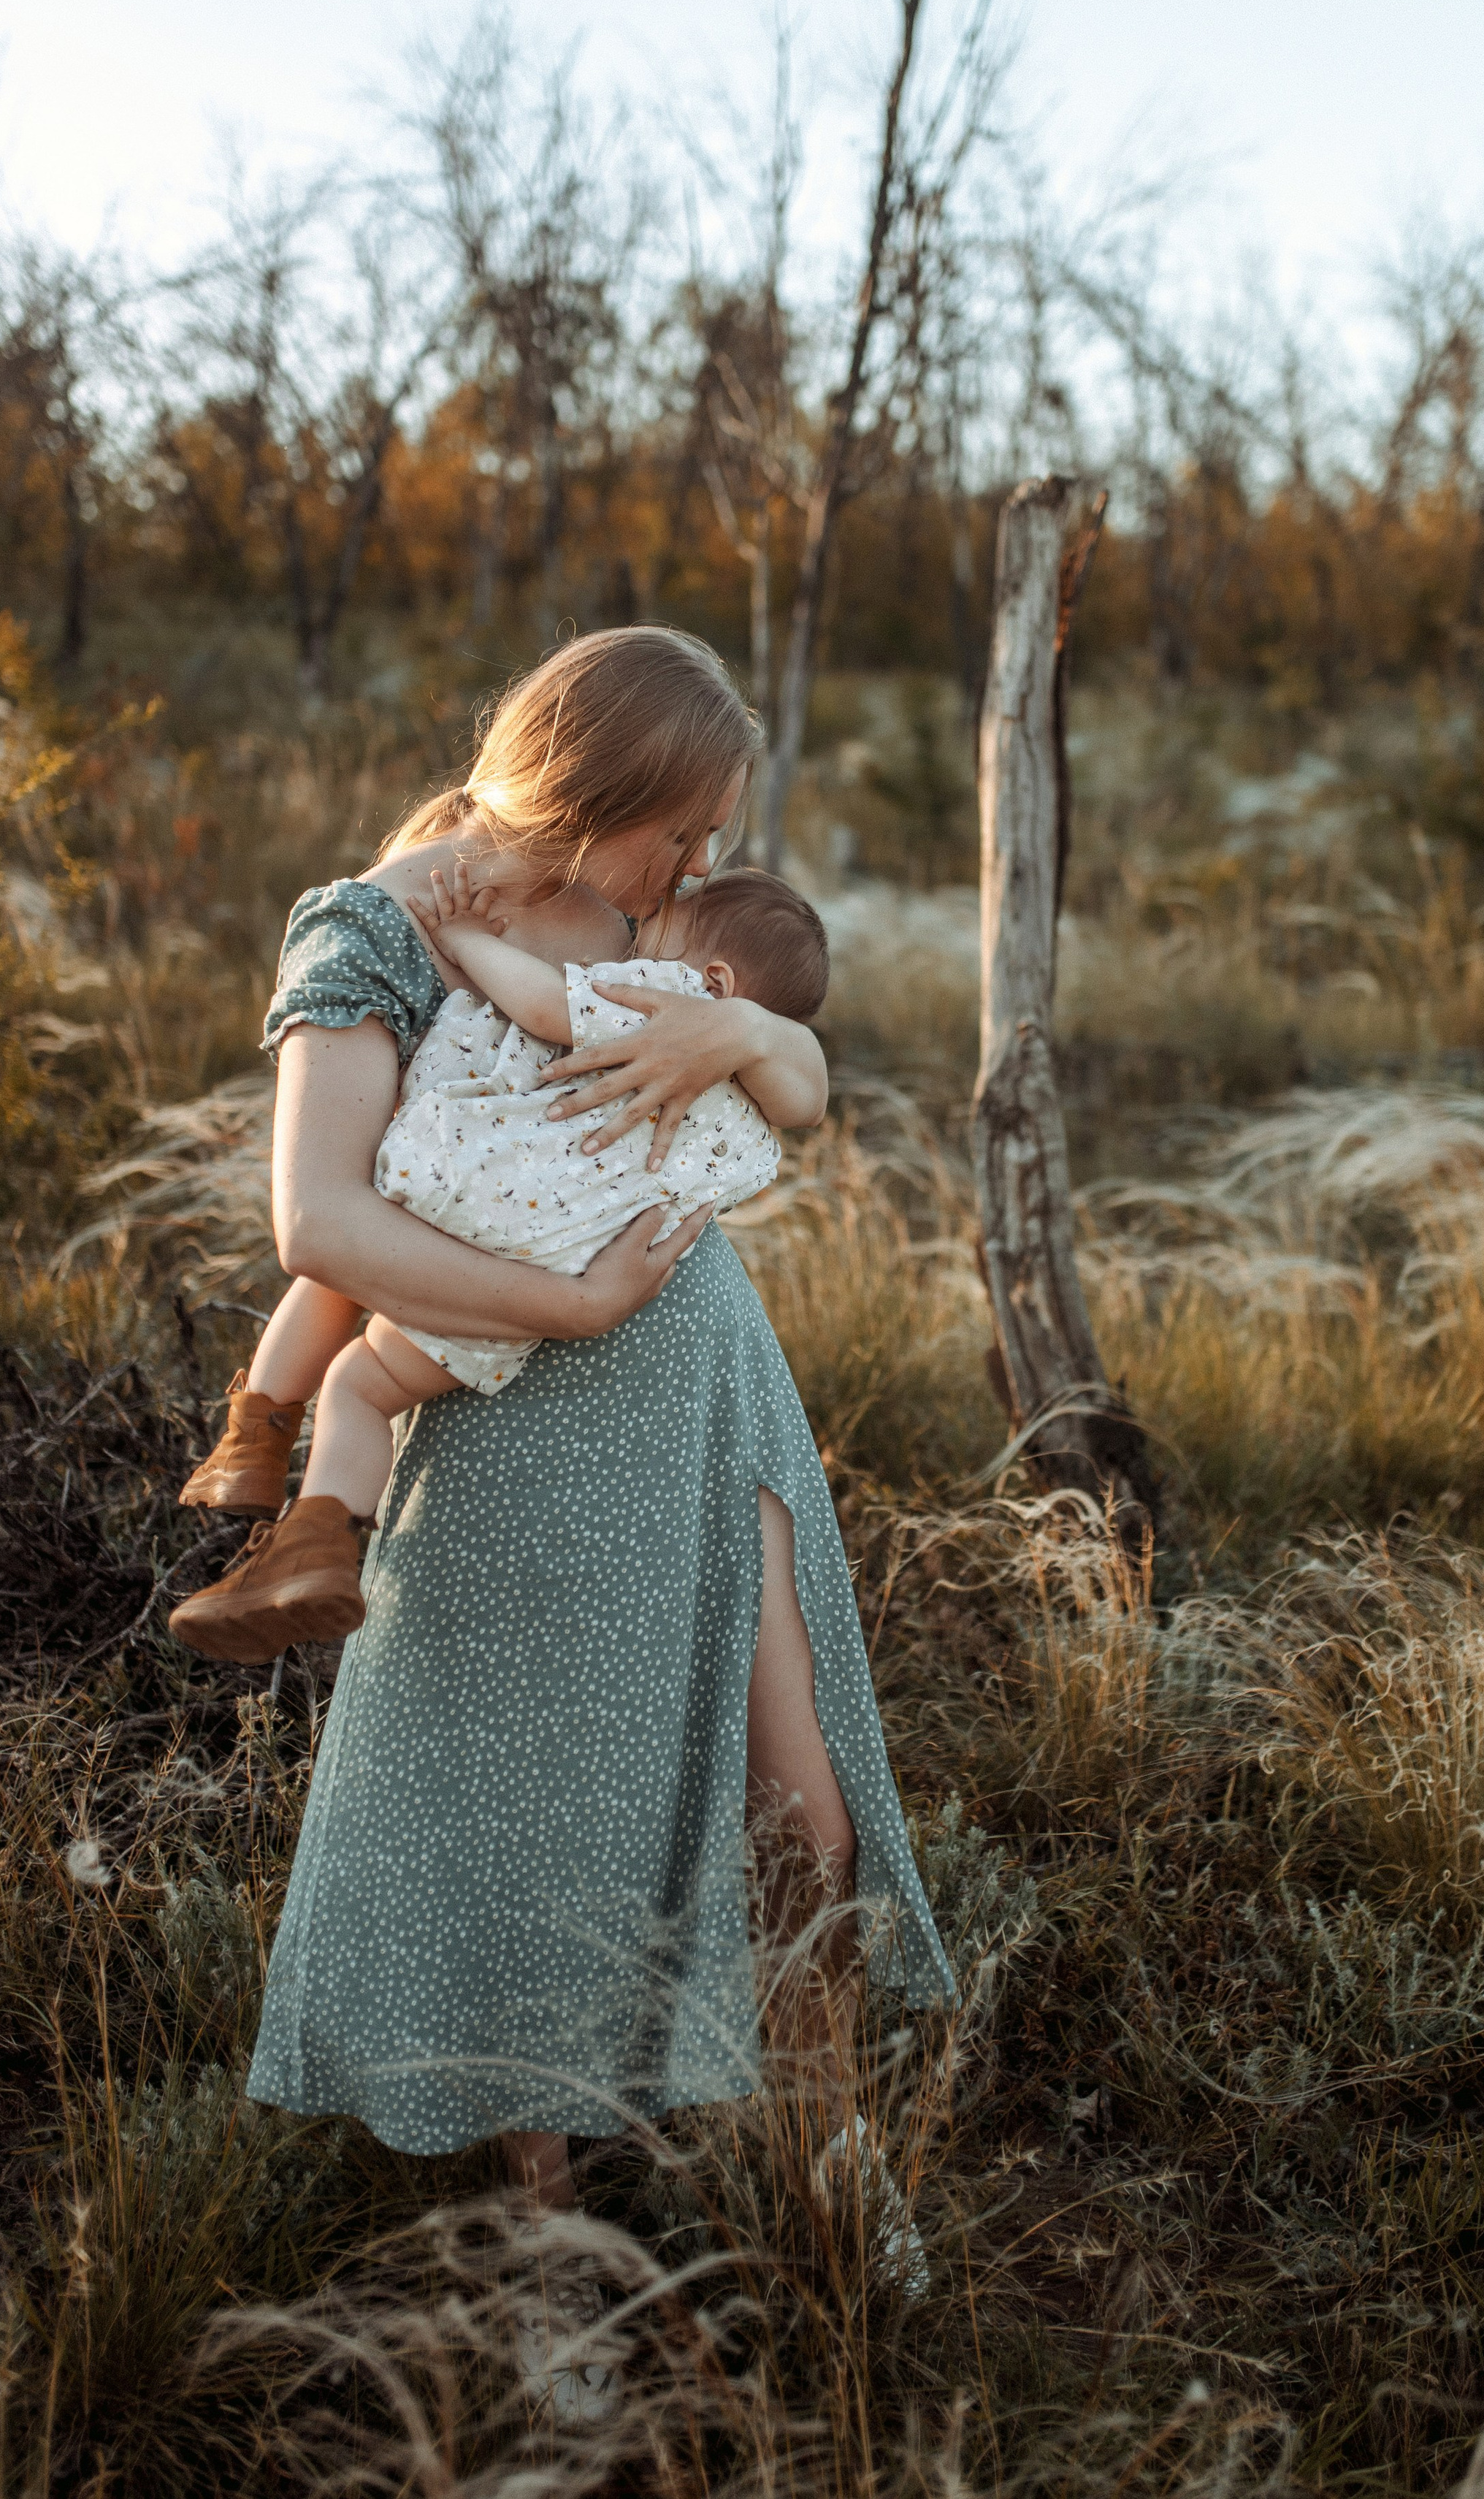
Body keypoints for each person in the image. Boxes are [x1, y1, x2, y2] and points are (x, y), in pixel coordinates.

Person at [201, 627, 950, 2248]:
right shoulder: (374, 927)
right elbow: (314, 1222)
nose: (694, 868)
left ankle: (828, 2159)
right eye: (678, 832)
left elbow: (803, 1068)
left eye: (706, 845)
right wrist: (565, 1310)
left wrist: (747, 1037)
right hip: (509, 1423)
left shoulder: (629, 917)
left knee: (801, 1802)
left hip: (709, 1397)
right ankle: (550, 2254)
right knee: (535, 1831)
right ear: (590, 783)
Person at [169, 860, 829, 1660]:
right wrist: (754, 1036)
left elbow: (548, 1005)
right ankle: (318, 1545)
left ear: (711, 977)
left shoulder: (665, 1001)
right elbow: (806, 1100)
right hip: (537, 1288)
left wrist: (462, 936)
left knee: (334, 1280)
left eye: (665, 927)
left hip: (470, 1194)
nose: (643, 931)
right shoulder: (752, 1106)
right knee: (362, 1386)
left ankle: (255, 1442)